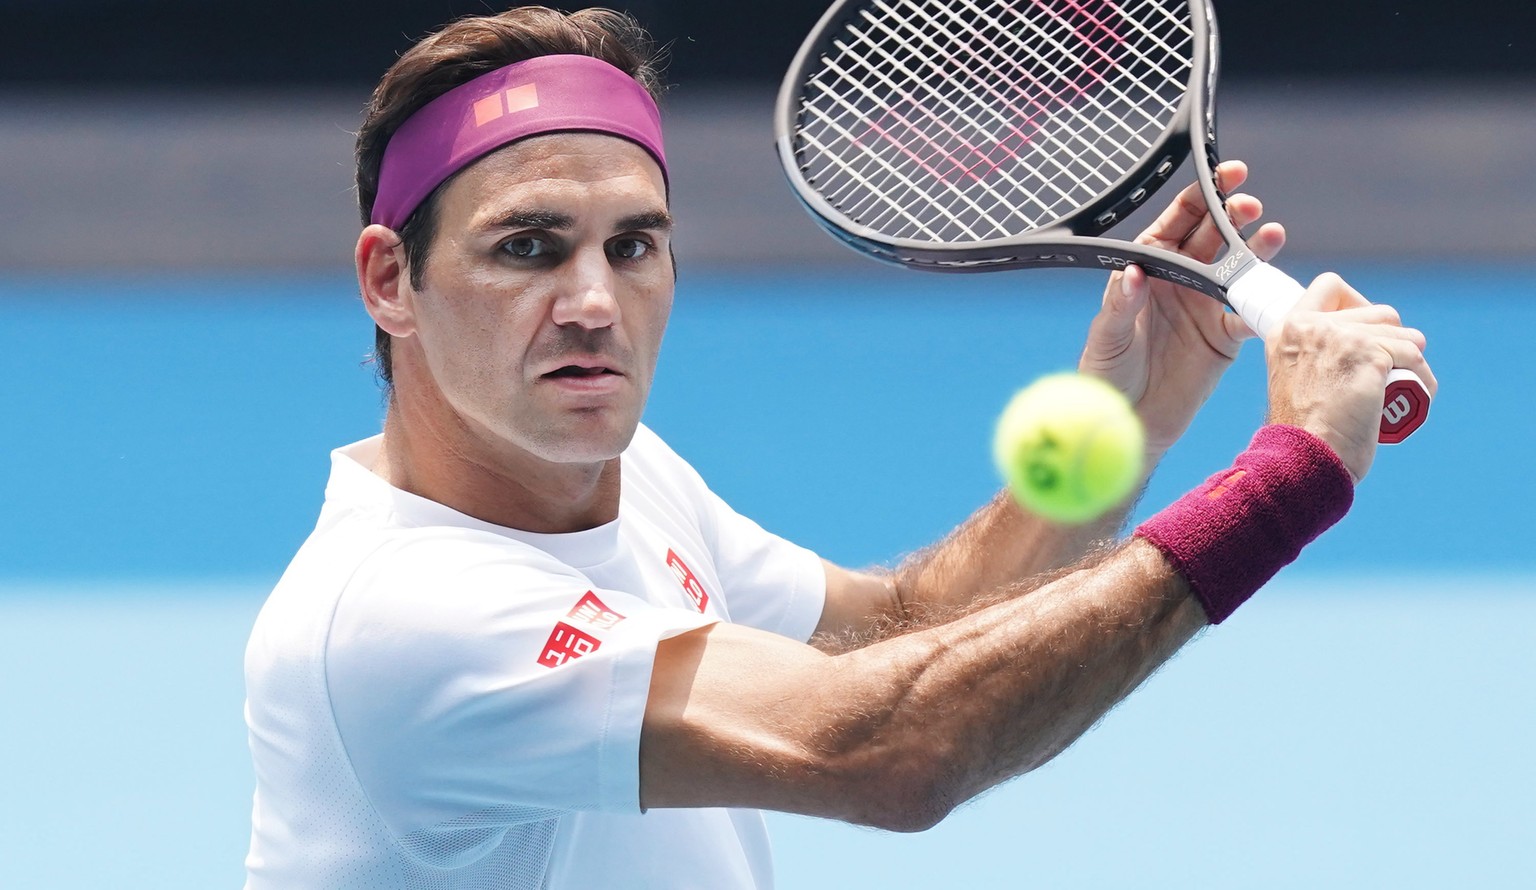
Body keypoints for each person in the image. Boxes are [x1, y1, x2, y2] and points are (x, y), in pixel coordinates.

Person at [242, 6, 1436, 888]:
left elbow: (893, 629)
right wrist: (1287, 478)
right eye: (529, 248)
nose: (595, 301)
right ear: (390, 279)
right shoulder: (398, 618)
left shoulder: (620, 472)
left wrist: (1134, 415)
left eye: (634, 245)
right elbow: (882, 742)